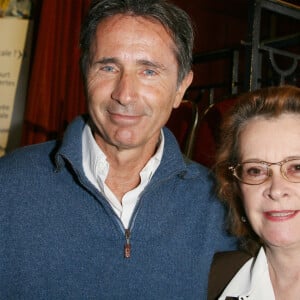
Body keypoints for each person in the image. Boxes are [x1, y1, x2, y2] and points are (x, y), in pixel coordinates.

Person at [0, 0, 236, 299]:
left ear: (181, 87)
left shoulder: (219, 203)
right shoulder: (8, 185)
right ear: (85, 72)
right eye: (109, 67)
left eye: (149, 71)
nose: (125, 94)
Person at [208, 85, 300, 299]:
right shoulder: (214, 279)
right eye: (256, 170)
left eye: (296, 168)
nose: (276, 190)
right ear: (236, 188)